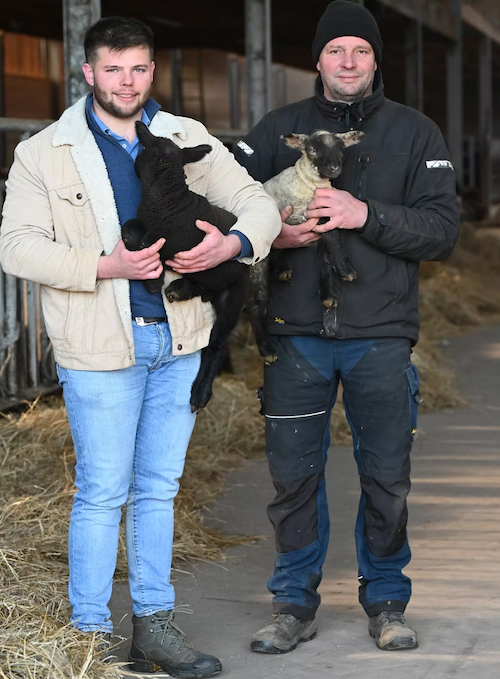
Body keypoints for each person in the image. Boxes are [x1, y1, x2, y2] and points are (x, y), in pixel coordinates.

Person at [0, 16, 280, 678]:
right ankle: (90, 638)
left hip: (179, 339)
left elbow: (257, 202)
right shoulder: (45, 151)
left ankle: (154, 628)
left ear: (151, 70)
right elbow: (16, 247)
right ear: (88, 72)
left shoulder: (186, 136)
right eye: (113, 69)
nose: (126, 82)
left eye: (138, 69)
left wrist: (234, 243)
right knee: (103, 490)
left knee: (157, 489)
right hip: (100, 346)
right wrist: (107, 266)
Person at [235, 0, 459, 654]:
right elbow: (225, 206)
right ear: (318, 59)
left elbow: (443, 231)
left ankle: (386, 600)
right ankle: (292, 603)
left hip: (380, 333)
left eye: (361, 50)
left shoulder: (416, 133)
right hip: (294, 332)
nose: (349, 61)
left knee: (387, 474)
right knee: (293, 475)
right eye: (337, 50)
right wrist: (275, 232)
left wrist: (367, 214)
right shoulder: (278, 129)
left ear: (375, 60)